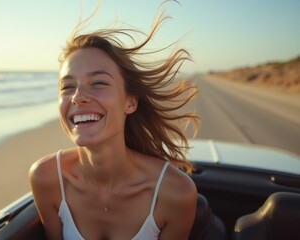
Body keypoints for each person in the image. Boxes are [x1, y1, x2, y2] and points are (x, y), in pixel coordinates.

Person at [29, 5, 199, 240]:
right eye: (67, 86)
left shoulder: (174, 193)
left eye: (98, 83)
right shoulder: (46, 178)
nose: (78, 97)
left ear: (130, 102)